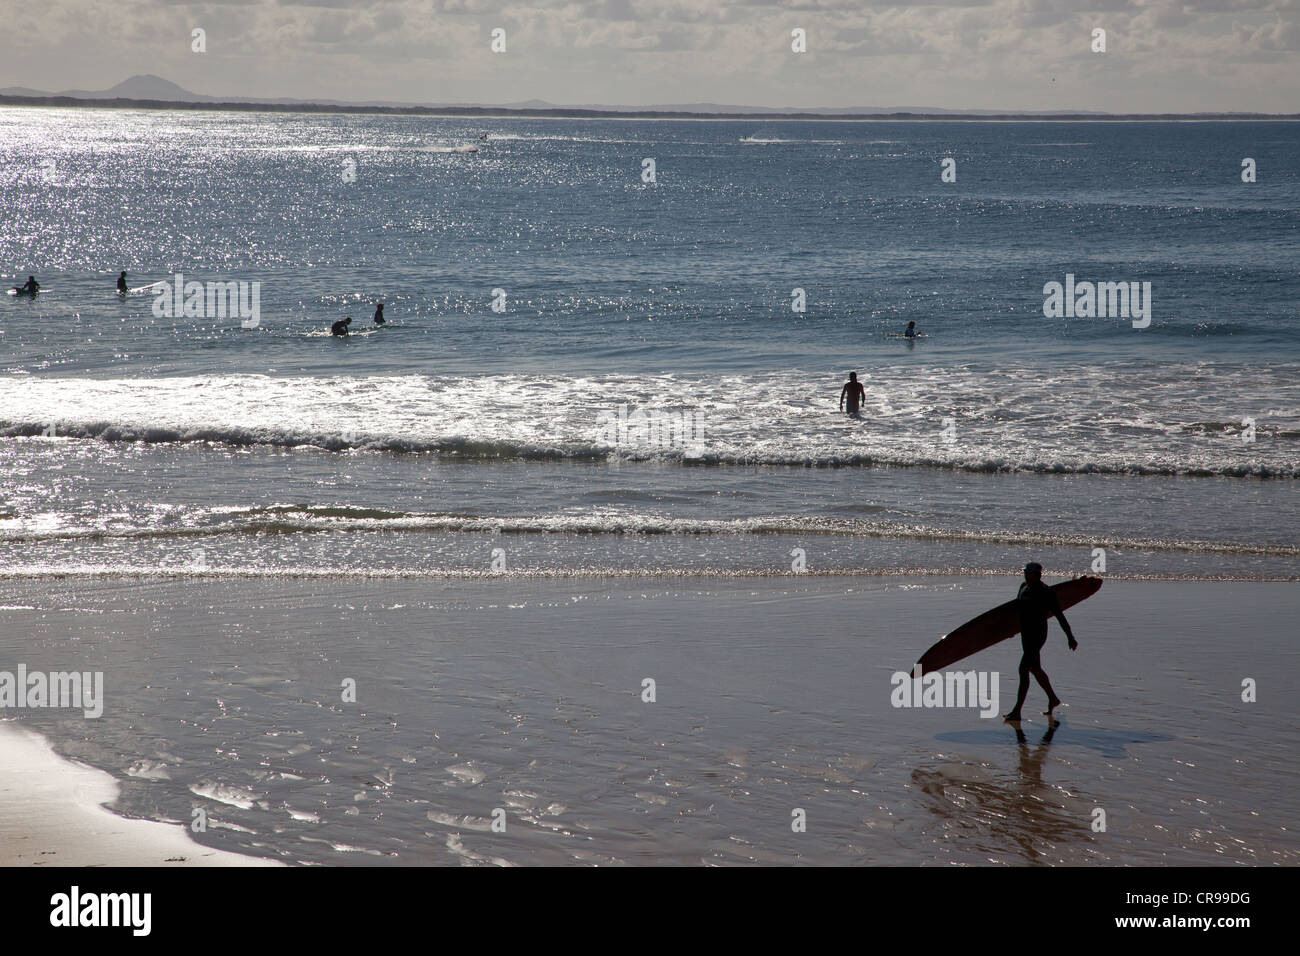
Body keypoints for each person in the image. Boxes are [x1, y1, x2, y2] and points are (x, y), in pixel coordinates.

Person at [1003, 562, 1078, 722]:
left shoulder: (1046, 592)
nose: (1025, 575)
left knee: (1023, 669)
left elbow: (1059, 615)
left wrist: (1070, 636)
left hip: (1037, 635)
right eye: (1025, 572)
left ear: (1037, 575)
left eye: (1028, 573)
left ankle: (1017, 711)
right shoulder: (1023, 587)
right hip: (1025, 634)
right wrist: (1009, 630)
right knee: (1035, 668)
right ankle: (1053, 699)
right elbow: (1018, 610)